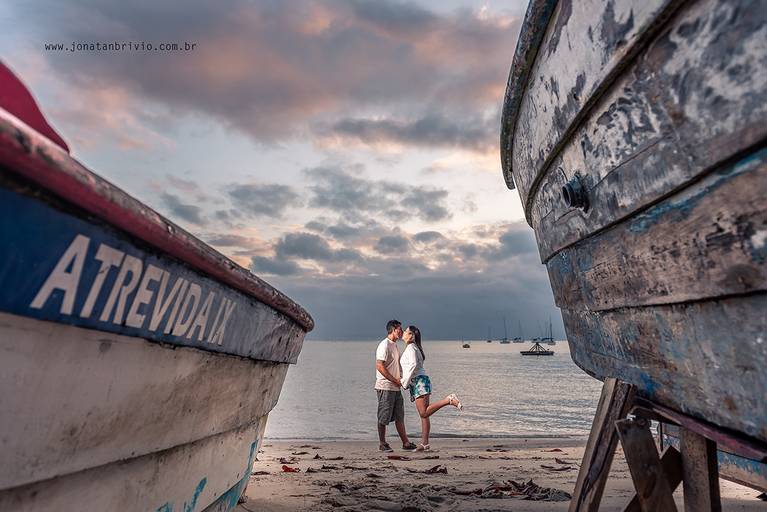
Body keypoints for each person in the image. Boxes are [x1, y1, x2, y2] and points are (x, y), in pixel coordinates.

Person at [400, 325, 462, 451]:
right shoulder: (414, 347)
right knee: (425, 415)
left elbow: (413, 365)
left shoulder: (411, 348)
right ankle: (425, 444)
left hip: (419, 382)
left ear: (412, 336)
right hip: (420, 381)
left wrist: (404, 382)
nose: (404, 332)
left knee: (424, 412)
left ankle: (449, 400)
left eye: (406, 331)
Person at [375, 319, 417, 452]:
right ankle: (382, 443)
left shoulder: (394, 345)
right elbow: (379, 366)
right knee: (383, 415)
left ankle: (405, 443)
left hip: (396, 386)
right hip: (385, 386)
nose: (402, 331)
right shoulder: (384, 345)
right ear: (393, 330)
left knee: (400, 415)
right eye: (400, 329)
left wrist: (403, 380)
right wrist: (394, 380)